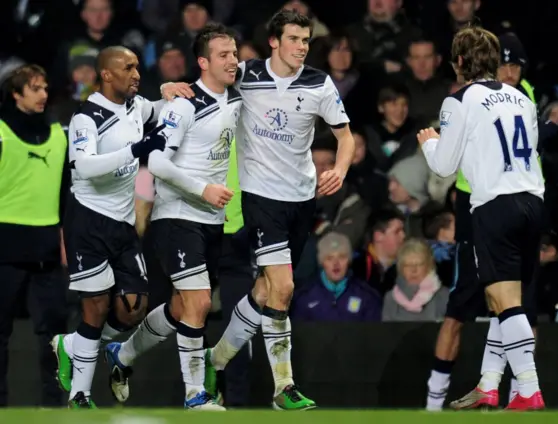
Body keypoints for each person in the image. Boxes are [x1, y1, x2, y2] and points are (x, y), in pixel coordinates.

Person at [205, 9, 355, 410]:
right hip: (260, 198)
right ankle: (283, 388)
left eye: (306, 40)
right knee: (284, 288)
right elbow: (206, 83)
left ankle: (215, 359)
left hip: (302, 199)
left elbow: (345, 136)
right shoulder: (247, 75)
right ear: (274, 41)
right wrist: (171, 89)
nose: (301, 47)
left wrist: (339, 170)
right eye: (293, 39)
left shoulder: (319, 83)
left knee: (265, 290)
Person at [102, 23, 242, 410]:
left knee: (182, 308)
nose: (233, 60)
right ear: (202, 62)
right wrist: (204, 190)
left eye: (235, 53)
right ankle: (196, 394)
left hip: (212, 221)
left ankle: (124, 355)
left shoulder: (236, 97)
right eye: (224, 55)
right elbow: (158, 162)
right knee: (197, 304)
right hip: (177, 216)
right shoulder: (184, 104)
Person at [50, 46, 193, 409]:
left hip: (124, 221)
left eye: (136, 67)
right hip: (88, 219)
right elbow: (84, 166)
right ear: (106, 75)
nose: (136, 73)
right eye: (127, 68)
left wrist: (169, 95)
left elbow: (156, 109)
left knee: (133, 306)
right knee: (95, 307)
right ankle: (80, 395)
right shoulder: (87, 116)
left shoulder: (135, 107)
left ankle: (73, 346)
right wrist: (136, 149)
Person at [419, 26, 546, 411]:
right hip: (533, 201)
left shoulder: (458, 101)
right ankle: (490, 384)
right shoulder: (521, 97)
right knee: (500, 296)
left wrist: (429, 142)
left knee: (505, 301)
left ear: (459, 62)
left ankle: (528, 388)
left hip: (495, 205)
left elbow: (444, 166)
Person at [0, 65, 69, 407]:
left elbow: (64, 193)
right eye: (34, 88)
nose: (43, 94)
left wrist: (63, 238)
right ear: (16, 93)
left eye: (45, 87)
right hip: (5, 245)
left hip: (46, 248)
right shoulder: (0, 131)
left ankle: (54, 405)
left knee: (54, 336)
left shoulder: (58, 132)